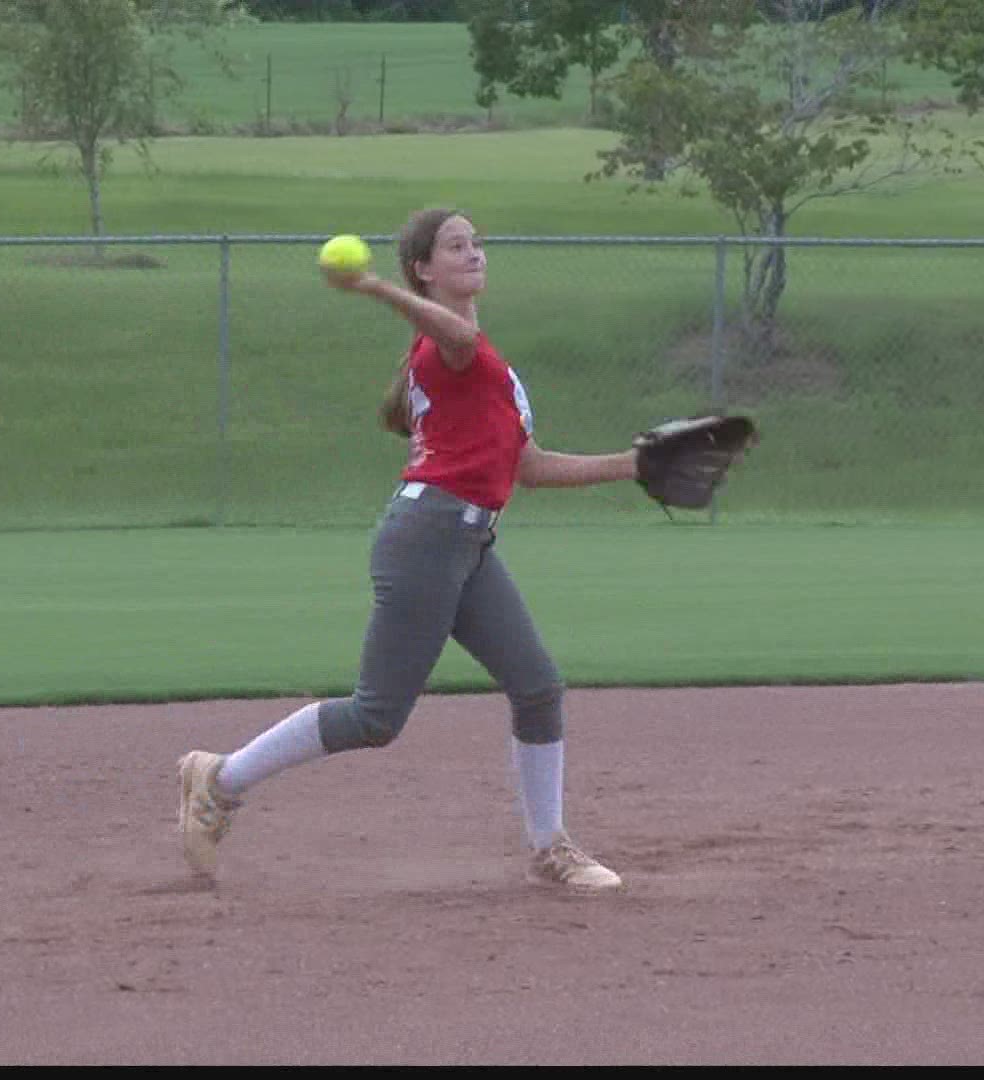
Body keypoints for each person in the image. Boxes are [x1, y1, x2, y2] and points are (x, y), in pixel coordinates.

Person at [177, 208, 639, 891]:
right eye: (456, 245)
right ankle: (220, 780)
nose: (474, 252)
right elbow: (451, 331)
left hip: (469, 541)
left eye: (477, 241)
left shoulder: (490, 369)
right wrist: (374, 290)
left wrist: (631, 464)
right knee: (376, 715)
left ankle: (550, 847)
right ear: (423, 269)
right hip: (425, 540)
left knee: (537, 689)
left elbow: (527, 468)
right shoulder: (446, 347)